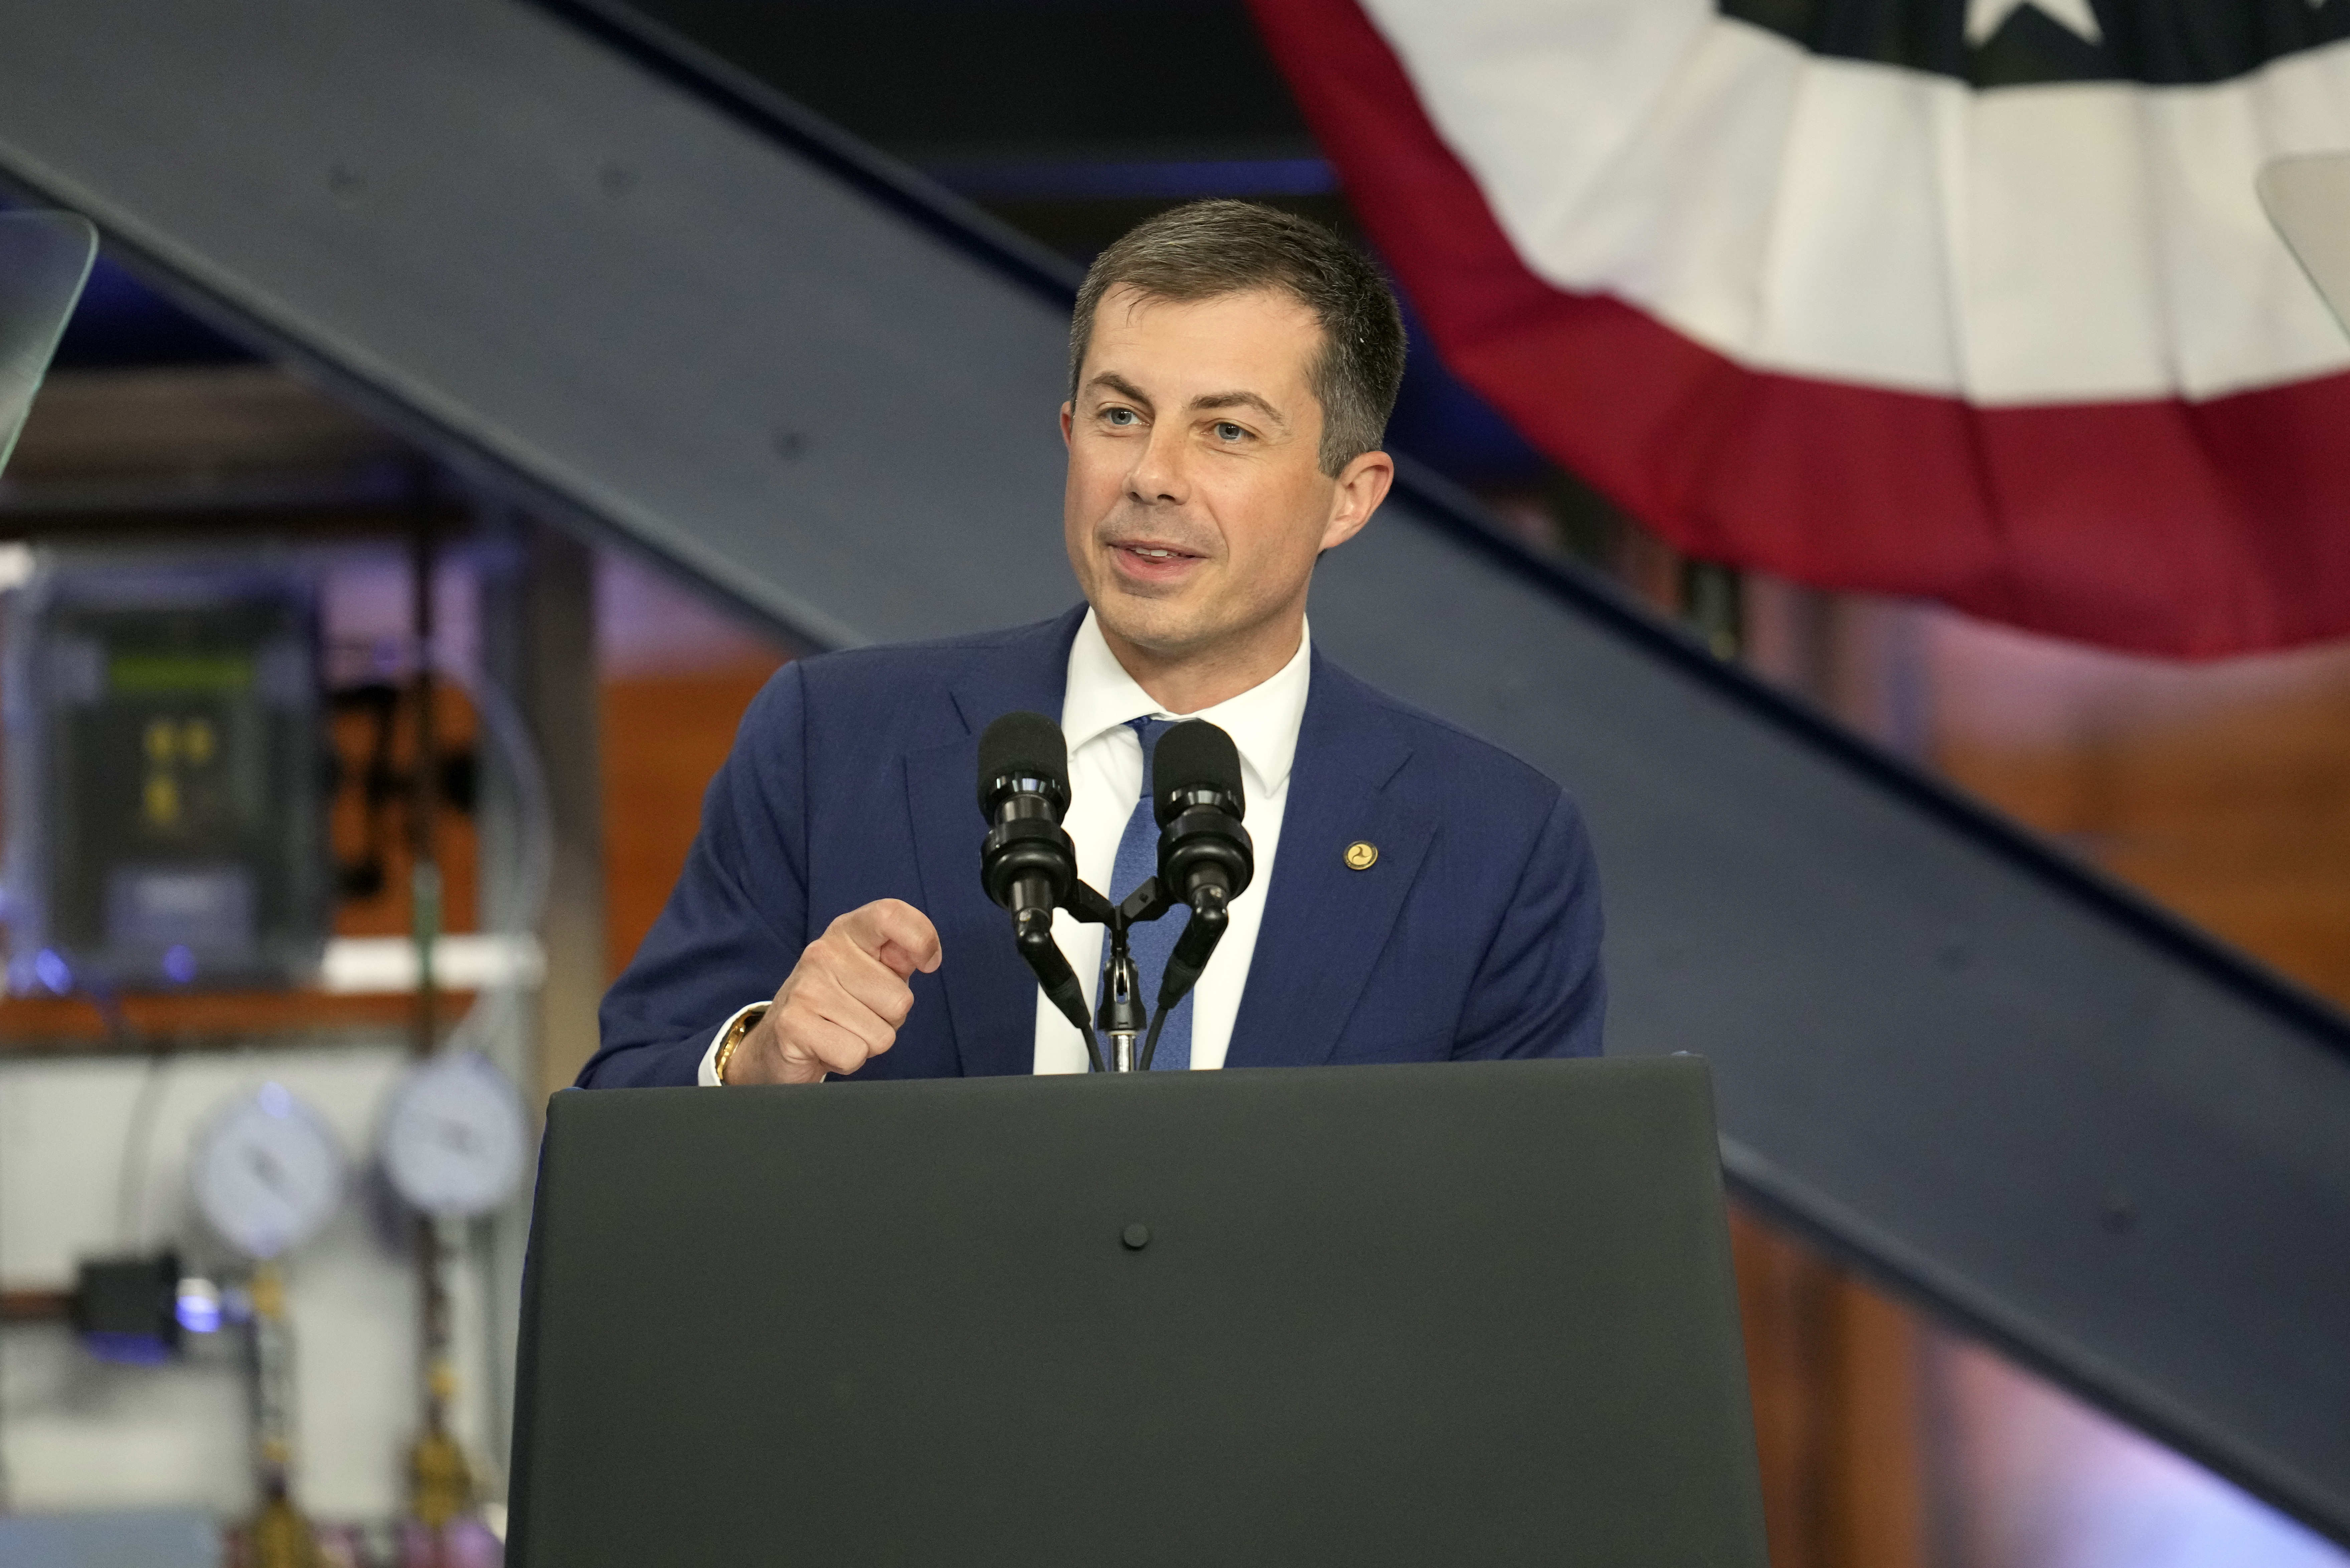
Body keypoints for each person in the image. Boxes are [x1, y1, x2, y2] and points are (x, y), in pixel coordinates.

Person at [581, 200, 1603, 1088]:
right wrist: (754, 1058)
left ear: (1350, 497)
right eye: (1122, 415)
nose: (1152, 475)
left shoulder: (1491, 841)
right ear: (1071, 436)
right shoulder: (827, 741)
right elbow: (620, 1106)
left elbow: (1534, 1236)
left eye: (1227, 431)